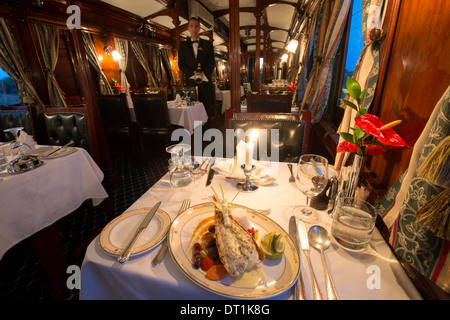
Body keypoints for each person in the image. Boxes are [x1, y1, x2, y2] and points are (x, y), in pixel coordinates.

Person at [178, 17, 215, 119]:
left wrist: (201, 75)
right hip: (191, 84)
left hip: (205, 83)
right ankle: (194, 133)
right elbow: (181, 64)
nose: (194, 29)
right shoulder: (183, 45)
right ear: (188, 28)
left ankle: (206, 132)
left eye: (196, 26)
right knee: (192, 111)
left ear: (199, 28)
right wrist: (193, 73)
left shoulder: (208, 44)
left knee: (205, 110)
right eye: (191, 26)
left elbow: (211, 63)